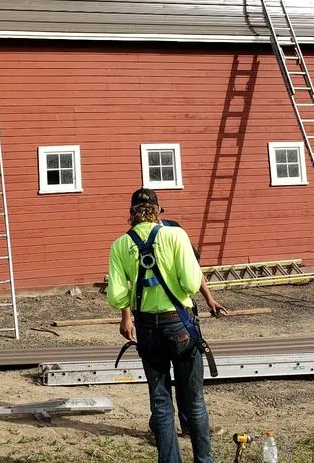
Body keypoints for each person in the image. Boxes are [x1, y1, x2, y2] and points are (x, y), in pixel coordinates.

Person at [108, 188, 215, 463]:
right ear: (158, 210)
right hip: (180, 325)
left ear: (132, 213)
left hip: (147, 328)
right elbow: (191, 284)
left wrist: (128, 313)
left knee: (161, 403)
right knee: (194, 402)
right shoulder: (175, 235)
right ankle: (204, 460)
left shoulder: (120, 245)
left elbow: (117, 295)